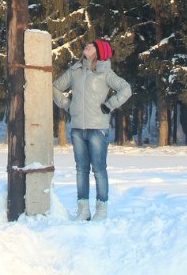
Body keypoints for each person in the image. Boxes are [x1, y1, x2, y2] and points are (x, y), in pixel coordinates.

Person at [52, 39, 132, 221]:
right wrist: (67, 105)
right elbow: (55, 87)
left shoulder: (105, 73)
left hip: (98, 129)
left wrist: (109, 105)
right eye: (88, 44)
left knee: (99, 170)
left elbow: (126, 89)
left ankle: (101, 210)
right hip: (78, 128)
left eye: (92, 45)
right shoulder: (75, 70)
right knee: (81, 170)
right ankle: (83, 210)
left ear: (99, 52)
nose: (87, 45)